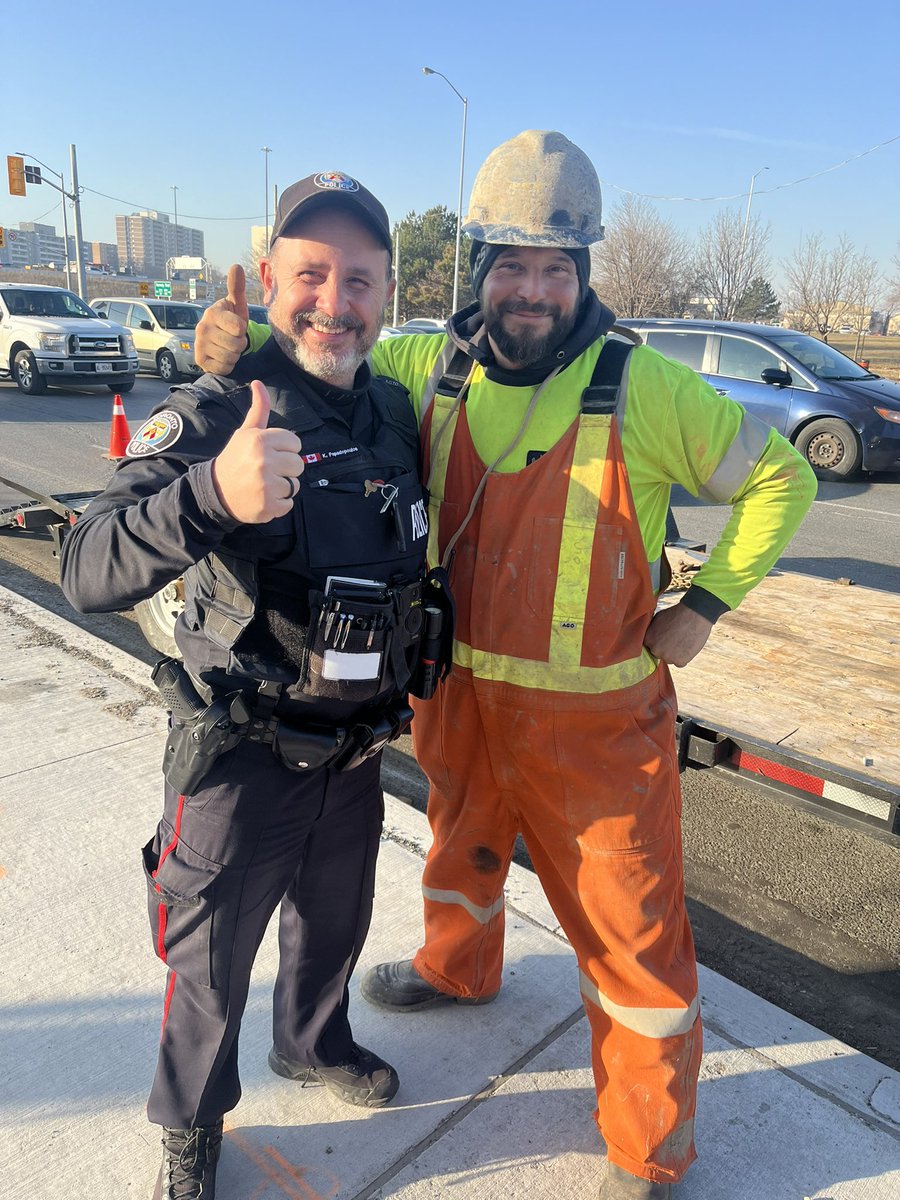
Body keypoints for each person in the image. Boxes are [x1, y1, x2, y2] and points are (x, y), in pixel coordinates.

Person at [194, 130, 817, 1199]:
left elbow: (783, 483)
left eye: (555, 269)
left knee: (632, 931)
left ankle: (647, 1150)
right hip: (460, 690)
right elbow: (323, 348)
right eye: (512, 266)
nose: (531, 291)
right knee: (459, 841)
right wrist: (232, 340)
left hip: (597, 725)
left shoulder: (649, 389)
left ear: (584, 275)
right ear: (479, 267)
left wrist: (702, 608)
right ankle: (457, 964)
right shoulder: (425, 362)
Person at [60, 171, 434, 1200]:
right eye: (310, 272)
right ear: (268, 278)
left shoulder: (397, 412)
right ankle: (190, 1128)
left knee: (334, 922)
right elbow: (86, 564)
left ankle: (313, 1044)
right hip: (240, 758)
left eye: (360, 279)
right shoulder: (220, 405)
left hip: (356, 753)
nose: (334, 299)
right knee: (209, 967)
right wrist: (209, 495)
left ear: (387, 292)